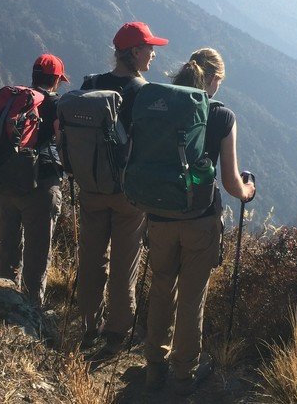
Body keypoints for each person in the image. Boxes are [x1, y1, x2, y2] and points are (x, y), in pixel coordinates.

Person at [143, 48, 255, 396]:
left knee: (162, 287)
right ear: (214, 79)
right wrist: (248, 192)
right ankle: (183, 376)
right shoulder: (222, 116)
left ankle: (153, 368)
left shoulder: (158, 103)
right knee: (192, 298)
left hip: (159, 215)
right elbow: (231, 182)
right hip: (200, 221)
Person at [76, 22, 169, 354]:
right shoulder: (145, 93)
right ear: (134, 52)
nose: (154, 54)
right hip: (127, 195)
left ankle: (89, 325)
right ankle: (116, 335)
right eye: (149, 48)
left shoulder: (91, 85)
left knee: (90, 259)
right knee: (123, 265)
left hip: (91, 187)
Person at [0, 54, 68, 307]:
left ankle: (2, 300)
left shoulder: (13, 99)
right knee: (37, 253)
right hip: (41, 184)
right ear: (55, 80)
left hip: (7, 181)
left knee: (8, 244)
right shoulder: (56, 105)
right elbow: (62, 143)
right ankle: (30, 309)